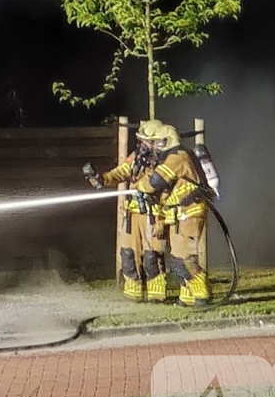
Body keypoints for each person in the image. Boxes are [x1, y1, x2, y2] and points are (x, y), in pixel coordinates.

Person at [83, 120, 166, 302]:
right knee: (128, 253)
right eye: (142, 141)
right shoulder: (136, 158)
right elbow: (120, 172)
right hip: (132, 213)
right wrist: (102, 179)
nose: (144, 145)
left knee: (152, 255)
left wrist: (161, 219)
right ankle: (133, 290)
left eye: (148, 142)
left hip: (153, 214)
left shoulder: (165, 163)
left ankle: (156, 293)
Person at [135, 124, 211, 307]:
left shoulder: (177, 158)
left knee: (183, 259)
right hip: (180, 215)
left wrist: (141, 186)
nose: (152, 146)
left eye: (155, 142)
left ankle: (203, 295)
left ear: (164, 141)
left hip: (189, 214)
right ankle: (187, 297)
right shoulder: (172, 157)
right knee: (178, 256)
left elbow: (155, 182)